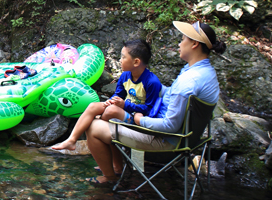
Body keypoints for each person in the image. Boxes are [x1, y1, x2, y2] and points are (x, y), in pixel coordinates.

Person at [82, 21, 225, 185]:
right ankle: (118, 168)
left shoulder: (189, 80)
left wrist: (138, 120)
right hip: (186, 139)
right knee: (110, 116)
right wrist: (149, 83)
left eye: (183, 39)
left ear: (194, 44)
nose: (180, 43)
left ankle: (111, 179)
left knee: (93, 126)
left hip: (167, 142)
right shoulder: (204, 72)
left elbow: (170, 125)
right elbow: (170, 93)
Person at [51, 39, 162, 155]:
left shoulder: (151, 82)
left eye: (123, 57)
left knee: (111, 111)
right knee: (94, 106)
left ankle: (112, 159)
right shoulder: (125, 76)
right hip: (124, 111)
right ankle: (72, 140)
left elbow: (150, 110)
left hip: (138, 119)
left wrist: (124, 105)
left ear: (136, 62)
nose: (120, 60)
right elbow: (118, 94)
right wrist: (110, 101)